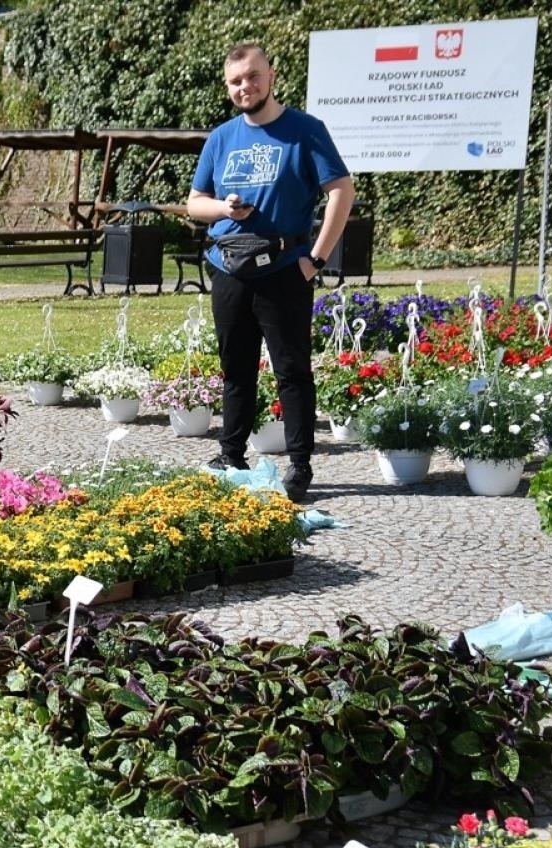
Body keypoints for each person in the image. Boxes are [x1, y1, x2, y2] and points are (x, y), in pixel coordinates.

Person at [188, 42, 354, 504]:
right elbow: (194, 202)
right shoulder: (221, 137)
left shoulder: (304, 130)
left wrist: (316, 259)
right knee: (235, 370)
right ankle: (231, 454)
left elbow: (341, 190)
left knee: (292, 371)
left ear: (272, 76)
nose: (246, 87)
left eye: (253, 76)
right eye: (236, 81)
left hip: (284, 268)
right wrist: (225, 207)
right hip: (230, 268)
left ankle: (299, 466)